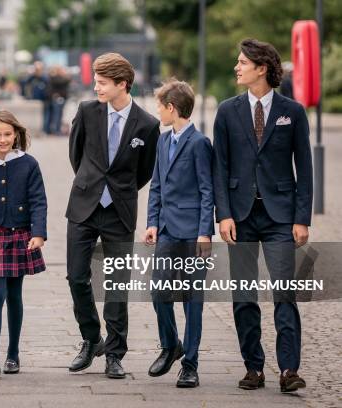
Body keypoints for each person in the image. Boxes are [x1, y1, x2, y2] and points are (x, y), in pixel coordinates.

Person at [213, 38, 312, 393]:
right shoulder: (226, 111)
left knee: (285, 292)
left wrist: (302, 218)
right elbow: (219, 168)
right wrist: (222, 215)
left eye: (243, 62)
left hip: (281, 217)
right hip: (239, 217)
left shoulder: (293, 111)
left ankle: (288, 369)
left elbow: (305, 166)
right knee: (244, 295)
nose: (237, 68)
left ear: (262, 68)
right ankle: (253, 367)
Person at [66, 53, 160, 379]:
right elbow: (76, 155)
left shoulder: (148, 125)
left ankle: (115, 354)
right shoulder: (87, 111)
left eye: (103, 83)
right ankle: (92, 339)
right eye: (96, 81)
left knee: (117, 285)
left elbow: (144, 171)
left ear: (122, 84)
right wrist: (91, 184)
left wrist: (118, 190)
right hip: (83, 206)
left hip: (120, 211)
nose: (96, 87)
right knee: (77, 277)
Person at [144, 79, 213, 388]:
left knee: (191, 299)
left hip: (192, 234)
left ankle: (191, 364)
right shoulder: (162, 140)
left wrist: (204, 233)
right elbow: (157, 184)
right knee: (159, 292)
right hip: (167, 230)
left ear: (172, 108)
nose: (157, 110)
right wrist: (152, 222)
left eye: (160, 106)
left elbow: (206, 190)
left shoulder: (199, 143)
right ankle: (171, 344)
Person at [0, 109, 47, 377]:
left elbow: (39, 200)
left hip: (20, 236)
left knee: (14, 295)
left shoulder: (29, 163)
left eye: (7, 134)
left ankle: (13, 355)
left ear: (16, 134)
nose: (2, 140)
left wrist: (39, 233)